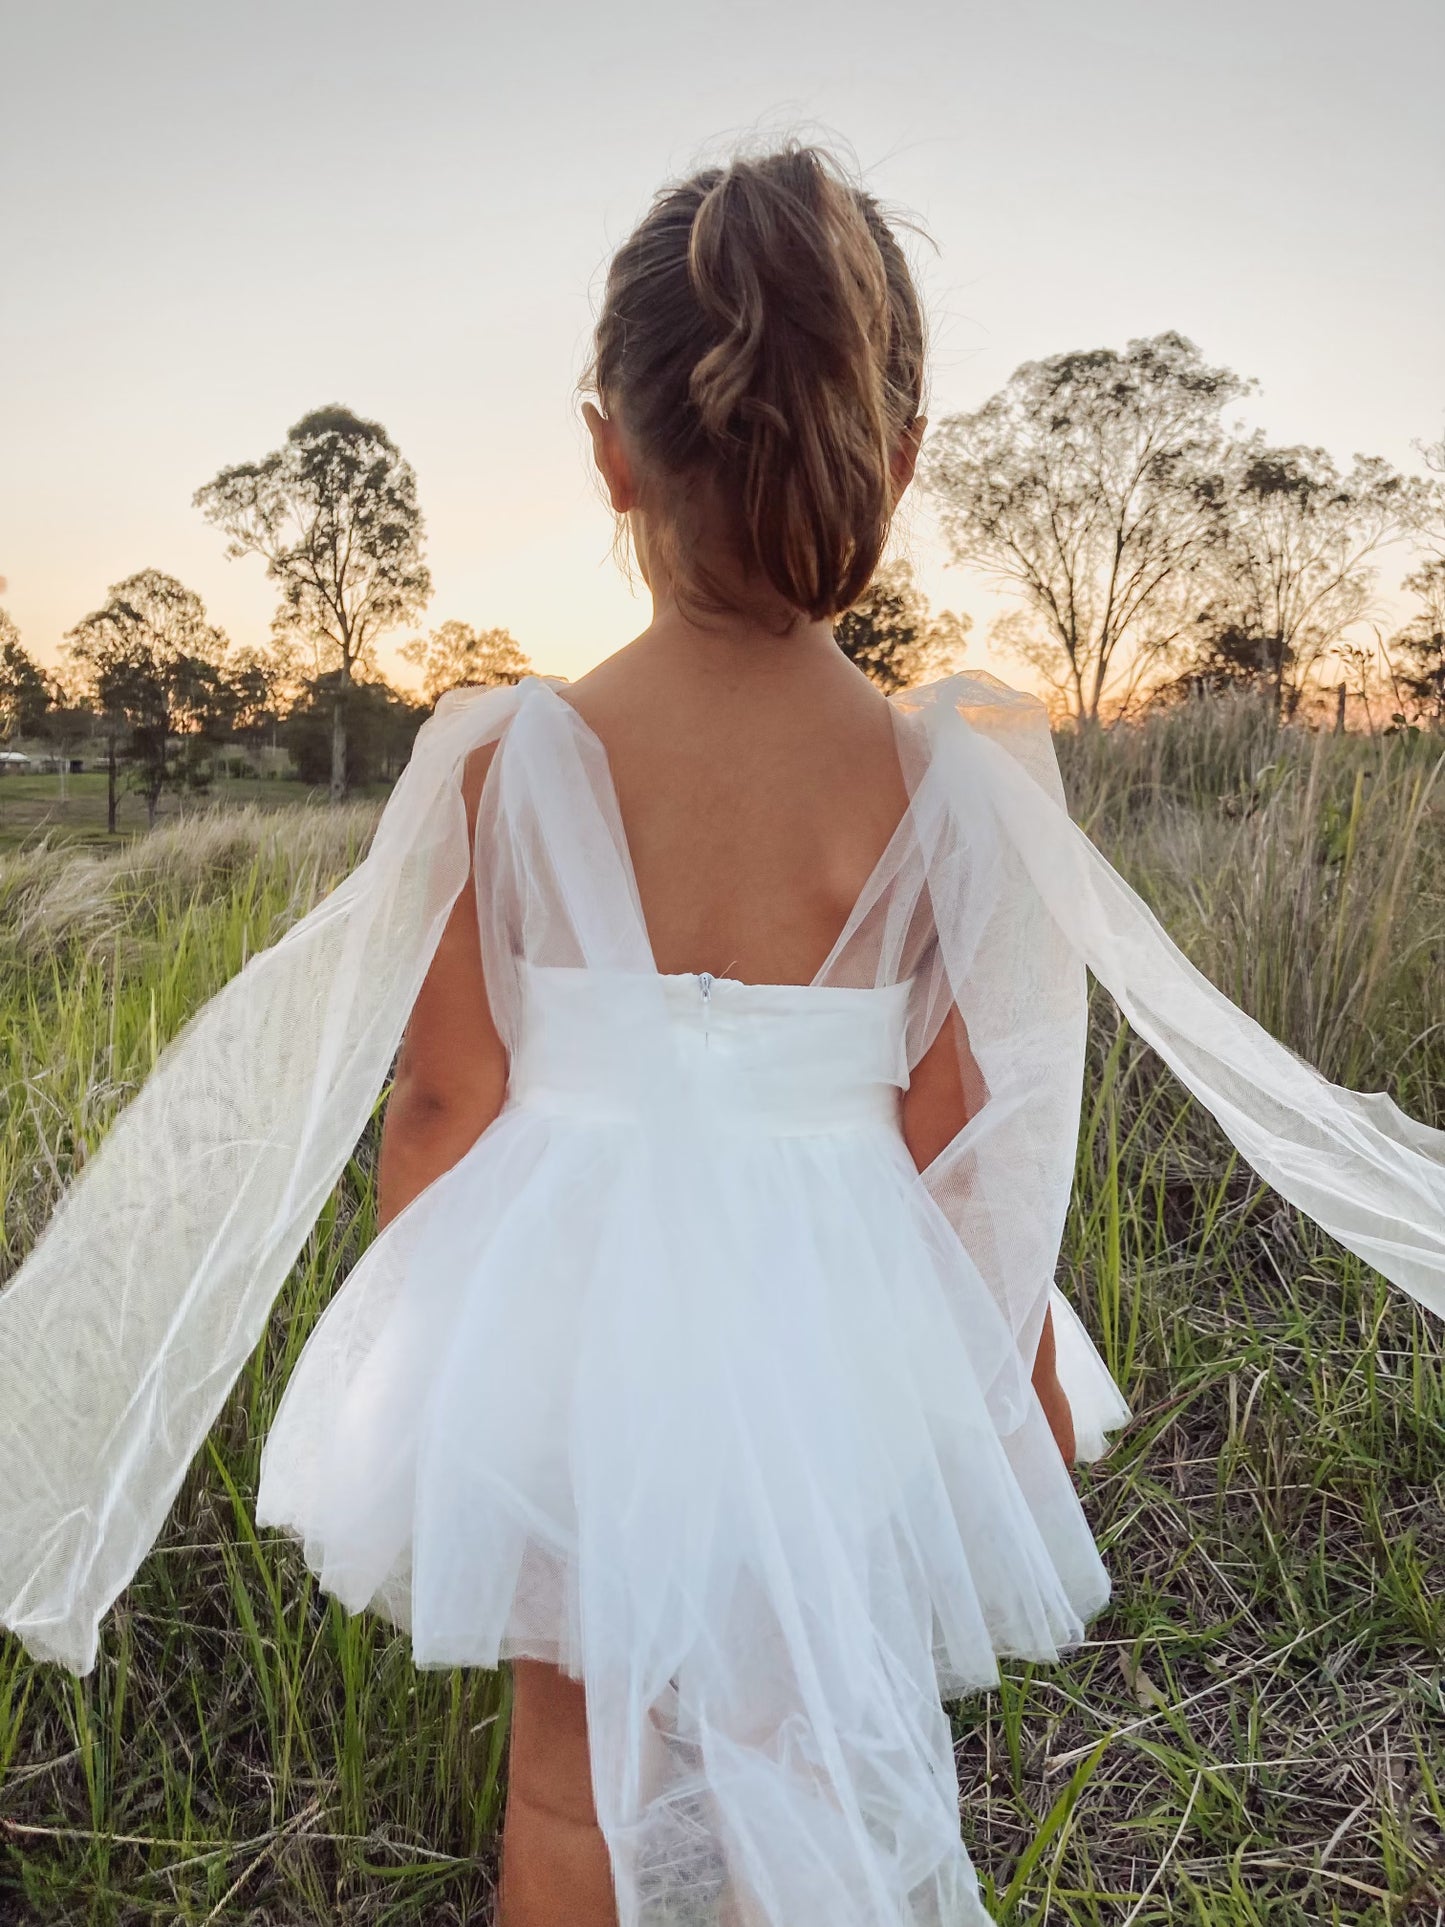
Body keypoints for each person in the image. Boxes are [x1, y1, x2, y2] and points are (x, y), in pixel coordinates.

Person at [1, 142, 1441, 1927]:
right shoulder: (941, 776)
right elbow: (964, 1121)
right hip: (831, 1333)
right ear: (893, 459)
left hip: (566, 1318)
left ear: (608, 446)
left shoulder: (497, 760)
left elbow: (444, 1098)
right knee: (791, 1745)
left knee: (567, 1784)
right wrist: (988, 1360)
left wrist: (424, 1351)